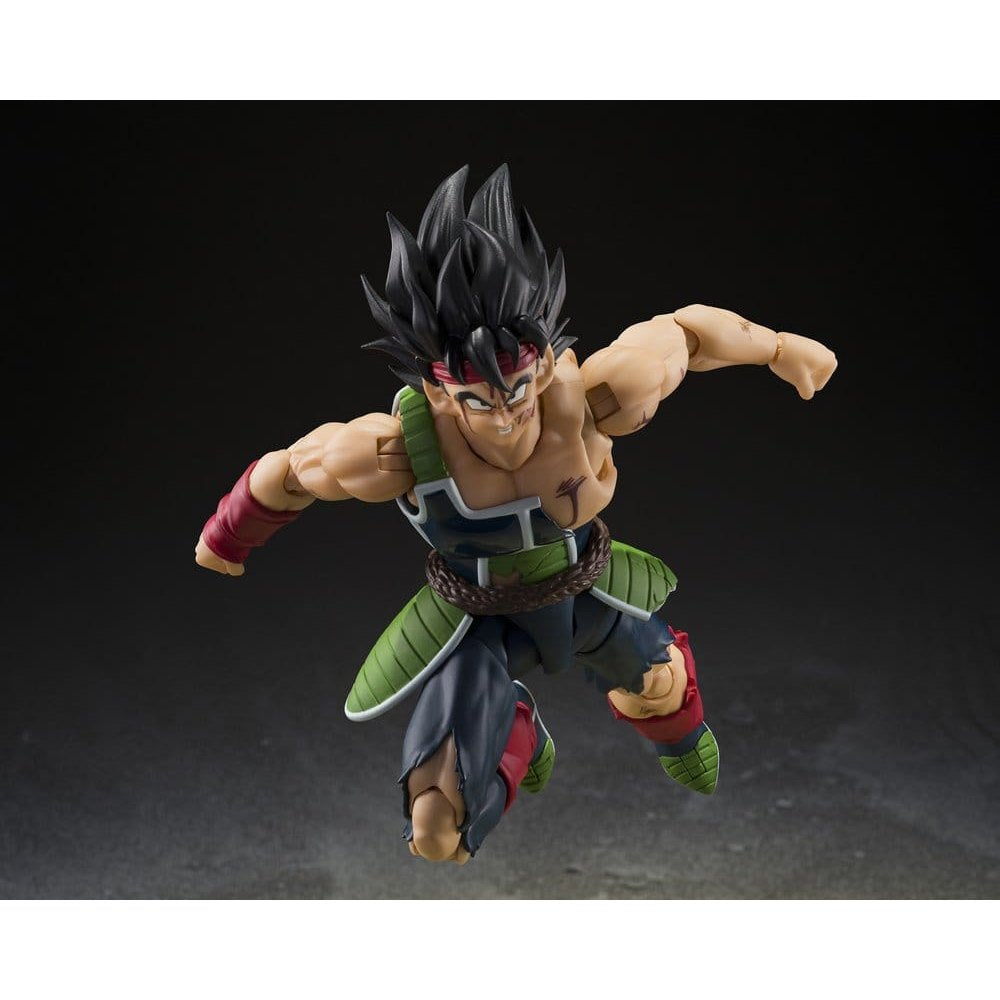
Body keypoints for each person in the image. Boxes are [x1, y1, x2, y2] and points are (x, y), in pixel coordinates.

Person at [195, 165, 837, 864]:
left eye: (521, 388)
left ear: (545, 364)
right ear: (440, 392)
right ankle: (509, 727)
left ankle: (660, 734)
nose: (505, 416)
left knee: (662, 687)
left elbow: (685, 334)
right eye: (479, 399)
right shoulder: (395, 451)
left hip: (585, 593)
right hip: (482, 624)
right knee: (437, 823)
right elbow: (291, 471)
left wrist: (779, 348)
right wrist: (229, 533)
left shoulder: (596, 399)